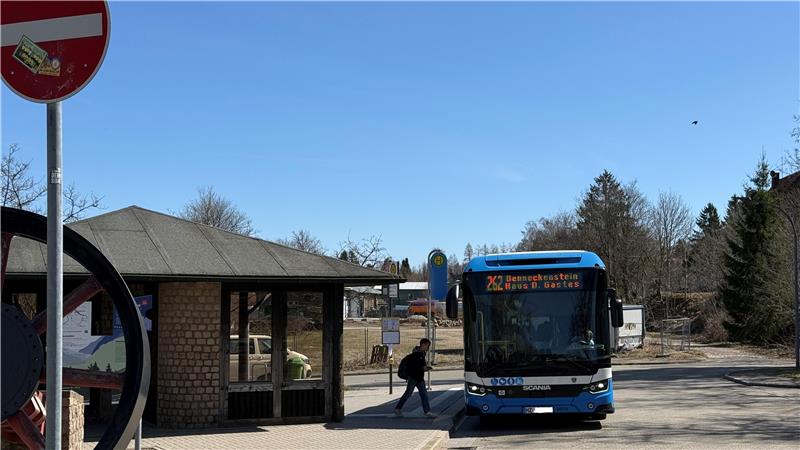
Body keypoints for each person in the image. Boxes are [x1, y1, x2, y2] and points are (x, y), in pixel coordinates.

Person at [395, 338, 435, 418]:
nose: (428, 348)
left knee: (423, 394)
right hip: (413, 377)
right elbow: (418, 367)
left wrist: (425, 368)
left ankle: (427, 411)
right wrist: (427, 368)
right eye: (427, 346)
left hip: (419, 377)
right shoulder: (417, 355)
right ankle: (398, 408)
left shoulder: (420, 354)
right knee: (409, 393)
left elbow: (419, 366)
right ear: (423, 345)